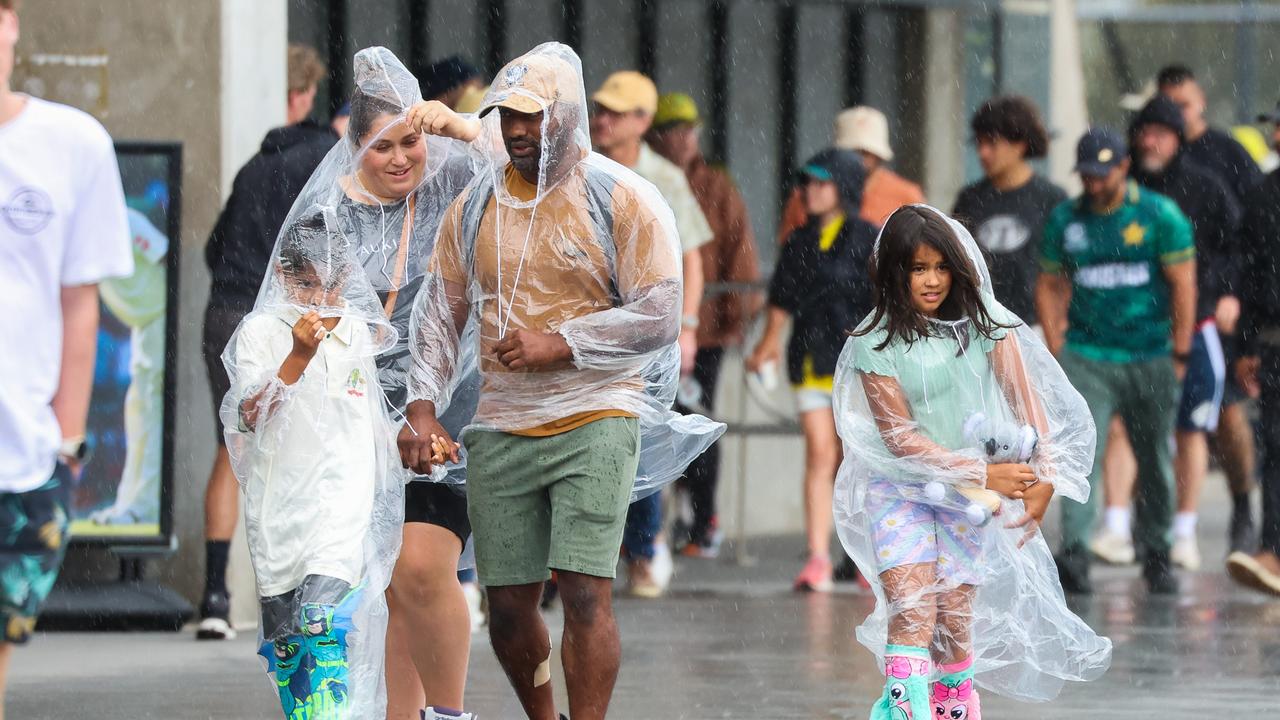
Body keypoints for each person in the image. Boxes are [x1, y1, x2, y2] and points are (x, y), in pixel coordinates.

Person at [404, 42, 722, 720]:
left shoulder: (621, 196)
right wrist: (423, 408)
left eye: (532, 117)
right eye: (505, 118)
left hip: (597, 415)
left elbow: (662, 312)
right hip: (501, 423)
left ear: (570, 116)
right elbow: (439, 312)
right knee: (511, 606)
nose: (516, 131)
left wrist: (564, 343)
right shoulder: (475, 205)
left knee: (584, 593)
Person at [835, 204, 1110, 720]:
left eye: (942, 267)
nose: (932, 281)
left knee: (955, 620)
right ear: (895, 272)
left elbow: (1032, 411)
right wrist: (984, 472)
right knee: (913, 612)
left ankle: (955, 712)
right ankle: (907, 713)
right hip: (901, 489)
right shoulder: (876, 341)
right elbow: (900, 441)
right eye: (918, 269)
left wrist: (1044, 477)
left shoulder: (985, 325)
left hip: (968, 499)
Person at [287, 48, 487, 720]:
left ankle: (450, 712)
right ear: (354, 148)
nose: (401, 159)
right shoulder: (324, 218)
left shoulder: (453, 188)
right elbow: (292, 322)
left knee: (422, 567)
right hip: (354, 418)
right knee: (391, 583)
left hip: (443, 411)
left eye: (411, 142)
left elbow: (540, 176)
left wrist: (462, 128)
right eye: (382, 147)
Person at [0, 0, 134, 714]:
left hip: (26, 452)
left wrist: (67, 438)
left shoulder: (72, 143)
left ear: (13, 21)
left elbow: (80, 302)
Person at [220, 209, 402, 720]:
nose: (320, 300)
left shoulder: (357, 333)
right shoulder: (260, 331)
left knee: (324, 625)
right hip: (281, 509)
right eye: (305, 285)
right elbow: (249, 416)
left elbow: (371, 416)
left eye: (331, 286)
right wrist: (296, 357)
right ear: (282, 275)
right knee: (289, 650)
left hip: (342, 508)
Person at [198, 42, 336, 641]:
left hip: (225, 309)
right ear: (305, 96)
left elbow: (212, 248)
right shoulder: (326, 159)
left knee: (232, 444)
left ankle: (214, 596)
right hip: (284, 313)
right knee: (305, 447)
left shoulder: (253, 167)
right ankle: (297, 590)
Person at [1037, 128, 1196, 595]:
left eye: (1102, 175)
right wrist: (1055, 343)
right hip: (1088, 353)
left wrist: (1182, 349)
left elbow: (1183, 282)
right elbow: (1048, 282)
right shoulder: (1066, 220)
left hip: (1150, 352)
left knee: (1153, 458)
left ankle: (1158, 550)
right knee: (1081, 453)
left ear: (1124, 168)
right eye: (1086, 174)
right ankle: (1076, 553)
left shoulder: (1158, 215)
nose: (1093, 183)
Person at [1092, 95, 1241, 572]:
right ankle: (1116, 527)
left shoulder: (1208, 188)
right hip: (1133, 329)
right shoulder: (1120, 190)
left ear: (1179, 138)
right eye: (1144, 130)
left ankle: (1183, 532)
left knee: (1190, 428)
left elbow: (1235, 250)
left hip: (1194, 327)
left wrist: (1225, 295)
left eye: (1161, 131)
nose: (1151, 138)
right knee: (1121, 424)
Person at [589, 70, 714, 597]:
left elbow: (692, 258)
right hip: (585, 325)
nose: (603, 120)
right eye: (599, 109)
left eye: (616, 112)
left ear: (642, 121)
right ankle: (580, 559)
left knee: (633, 434)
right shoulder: (579, 165)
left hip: (644, 330)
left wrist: (686, 328)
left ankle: (643, 546)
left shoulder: (664, 177)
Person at [747, 149, 877, 592]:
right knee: (821, 454)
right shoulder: (797, 242)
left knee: (858, 459)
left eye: (823, 182)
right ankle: (819, 555)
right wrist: (766, 346)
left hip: (857, 365)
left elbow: (882, 303)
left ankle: (862, 554)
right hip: (809, 361)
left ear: (844, 188)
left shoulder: (867, 238)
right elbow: (781, 301)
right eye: (808, 183)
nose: (812, 191)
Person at [647, 91, 761, 558]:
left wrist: (736, 315)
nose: (687, 138)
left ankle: (703, 523)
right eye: (677, 129)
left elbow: (741, 253)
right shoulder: (647, 179)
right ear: (659, 136)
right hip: (652, 332)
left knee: (699, 424)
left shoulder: (717, 184)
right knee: (654, 427)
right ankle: (653, 530)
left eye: (692, 129)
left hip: (707, 332)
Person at [1156, 64, 1261, 555]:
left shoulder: (1225, 155)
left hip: (1219, 308)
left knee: (1227, 414)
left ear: (1200, 102)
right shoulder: (1148, 161)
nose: (1177, 116)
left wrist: (1231, 293)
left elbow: (1249, 234)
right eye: (1166, 108)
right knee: (1158, 418)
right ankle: (1156, 523)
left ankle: (1243, 503)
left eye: (1185, 105)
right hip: (1163, 311)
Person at [952, 95, 1065, 325]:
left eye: (991, 143)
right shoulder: (969, 199)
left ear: (1020, 143)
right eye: (979, 143)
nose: (982, 152)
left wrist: (1056, 329)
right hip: (979, 325)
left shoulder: (1052, 199)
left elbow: (1064, 272)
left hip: (1036, 328)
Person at [90, 208, 170, 525]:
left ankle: (143, 508)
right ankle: (129, 505)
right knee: (139, 415)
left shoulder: (125, 219)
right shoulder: (83, 226)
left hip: (162, 319)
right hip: (144, 326)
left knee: (151, 416)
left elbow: (169, 260)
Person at [1231, 99, 1280, 595]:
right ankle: (1274, 551)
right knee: (1276, 446)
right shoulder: (1263, 196)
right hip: (1274, 343)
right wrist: (1246, 344)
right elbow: (1249, 274)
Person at [776, 106, 925, 241]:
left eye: (865, 153)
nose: (857, 160)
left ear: (879, 156)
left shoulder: (907, 196)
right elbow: (790, 249)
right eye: (851, 152)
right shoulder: (807, 195)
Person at [1158, 65, 1264, 206]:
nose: (1177, 113)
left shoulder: (1230, 151)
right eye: (1169, 106)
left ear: (1201, 100)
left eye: (1184, 105)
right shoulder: (1151, 155)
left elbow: (1258, 202)